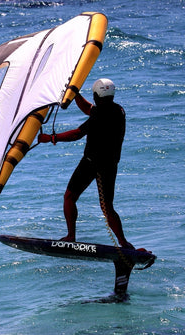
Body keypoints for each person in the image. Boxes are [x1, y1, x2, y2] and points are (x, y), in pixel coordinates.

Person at [38, 78, 134, 249]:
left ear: (97, 95)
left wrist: (51, 138)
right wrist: (75, 94)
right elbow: (89, 109)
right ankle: (123, 242)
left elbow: (77, 134)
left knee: (69, 197)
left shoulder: (101, 115)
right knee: (107, 208)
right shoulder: (117, 110)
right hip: (109, 165)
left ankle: (70, 236)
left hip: (92, 163)